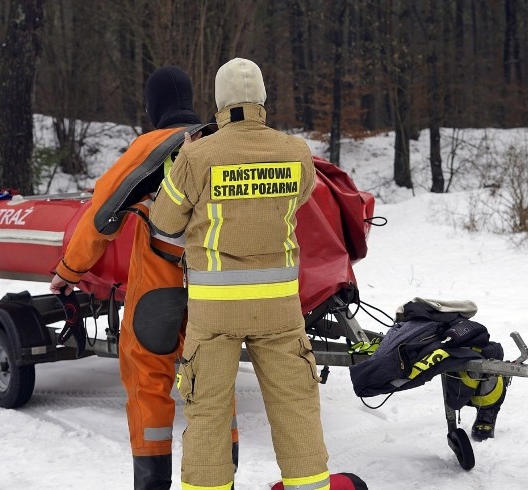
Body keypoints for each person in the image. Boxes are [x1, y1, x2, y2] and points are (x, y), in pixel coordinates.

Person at [150, 58, 366, 490]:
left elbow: (164, 222)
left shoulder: (196, 155)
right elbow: (299, 200)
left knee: (207, 412)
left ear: (218, 101)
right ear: (262, 99)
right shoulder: (295, 152)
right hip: (280, 311)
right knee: (295, 406)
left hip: (214, 315)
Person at [49, 66, 238, 490]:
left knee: (148, 380)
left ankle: (152, 481)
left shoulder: (152, 148)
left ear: (153, 107)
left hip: (159, 287)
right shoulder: (218, 144)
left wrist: (69, 271)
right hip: (216, 287)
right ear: (192, 101)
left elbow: (102, 216)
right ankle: (222, 475)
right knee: (213, 380)